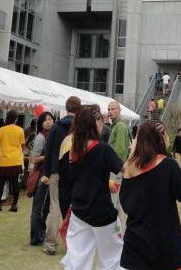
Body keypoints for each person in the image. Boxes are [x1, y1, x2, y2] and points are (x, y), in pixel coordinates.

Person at [120, 121, 181, 270]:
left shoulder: (128, 167)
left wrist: (133, 152)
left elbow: (125, 203)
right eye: (166, 134)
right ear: (161, 138)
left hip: (135, 244)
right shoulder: (169, 165)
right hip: (165, 244)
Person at [60, 106, 124, 270]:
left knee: (77, 259)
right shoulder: (102, 149)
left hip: (79, 210)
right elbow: (123, 169)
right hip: (102, 212)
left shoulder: (74, 148)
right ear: (95, 123)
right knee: (112, 257)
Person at [41, 96, 81, 256]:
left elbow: (49, 150)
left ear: (66, 107)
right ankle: (73, 245)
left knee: (54, 207)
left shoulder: (56, 127)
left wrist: (47, 173)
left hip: (56, 172)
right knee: (73, 209)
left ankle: (50, 244)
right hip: (74, 173)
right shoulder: (80, 127)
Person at [30, 111, 55, 246]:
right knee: (38, 208)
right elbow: (34, 159)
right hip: (41, 175)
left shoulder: (53, 135)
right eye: (45, 120)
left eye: (50, 119)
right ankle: (35, 238)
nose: (48, 122)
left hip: (50, 175)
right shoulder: (40, 137)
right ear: (41, 123)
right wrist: (49, 155)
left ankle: (41, 234)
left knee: (46, 208)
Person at [0, 109, 26, 212]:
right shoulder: (20, 130)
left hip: (4, 160)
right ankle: (14, 205)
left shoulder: (1, 130)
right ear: (16, 119)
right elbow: (22, 145)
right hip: (16, 160)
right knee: (15, 183)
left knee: (1, 183)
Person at [108, 100, 130, 231]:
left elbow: (120, 151)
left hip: (115, 170)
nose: (110, 112)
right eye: (109, 109)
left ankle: (116, 232)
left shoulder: (120, 126)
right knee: (117, 203)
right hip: (117, 169)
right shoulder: (116, 125)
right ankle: (120, 232)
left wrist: (114, 168)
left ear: (119, 110)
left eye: (113, 109)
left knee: (113, 202)